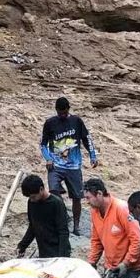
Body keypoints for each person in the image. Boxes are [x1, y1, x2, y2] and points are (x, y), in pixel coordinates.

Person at [40, 97, 99, 236]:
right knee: (53, 192)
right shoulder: (50, 123)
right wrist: (48, 158)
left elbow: (87, 139)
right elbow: (43, 144)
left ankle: (76, 226)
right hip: (56, 165)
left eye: (64, 113)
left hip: (74, 165)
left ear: (68, 109)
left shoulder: (76, 121)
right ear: (56, 110)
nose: (62, 115)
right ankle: (63, 217)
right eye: (59, 113)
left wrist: (93, 155)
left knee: (77, 197)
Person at [16, 174, 71, 259]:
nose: (31, 200)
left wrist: (62, 258)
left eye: (33, 197)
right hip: (43, 251)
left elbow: (63, 232)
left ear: (41, 189)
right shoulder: (32, 202)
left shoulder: (56, 203)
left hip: (57, 251)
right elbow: (33, 226)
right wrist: (22, 246)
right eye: (30, 197)